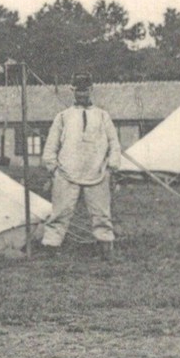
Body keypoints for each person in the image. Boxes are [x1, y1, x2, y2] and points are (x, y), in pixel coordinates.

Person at [40, 73, 124, 259]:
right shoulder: (63, 117)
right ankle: (51, 248)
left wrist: (112, 167)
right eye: (78, 90)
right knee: (60, 212)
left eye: (85, 90)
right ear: (72, 91)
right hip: (66, 173)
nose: (82, 94)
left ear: (91, 90)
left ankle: (105, 248)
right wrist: (53, 168)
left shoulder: (103, 116)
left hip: (97, 173)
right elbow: (51, 146)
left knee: (101, 214)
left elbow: (114, 144)